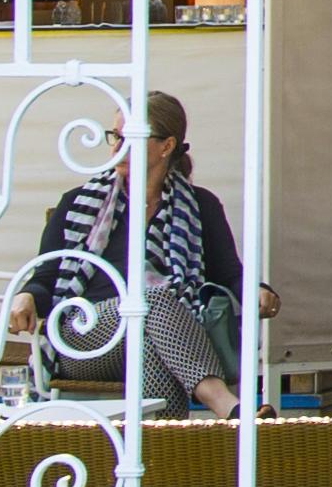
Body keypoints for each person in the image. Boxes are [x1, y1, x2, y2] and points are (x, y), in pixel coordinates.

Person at [22, 93, 248, 417]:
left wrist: (258, 291)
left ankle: (157, 460)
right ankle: (221, 401)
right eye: (115, 136)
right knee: (149, 300)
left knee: (149, 342)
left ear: (166, 146)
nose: (116, 148)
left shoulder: (200, 206)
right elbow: (45, 278)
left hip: (161, 339)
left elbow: (229, 274)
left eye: (130, 138)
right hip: (84, 337)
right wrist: (27, 296)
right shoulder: (76, 203)